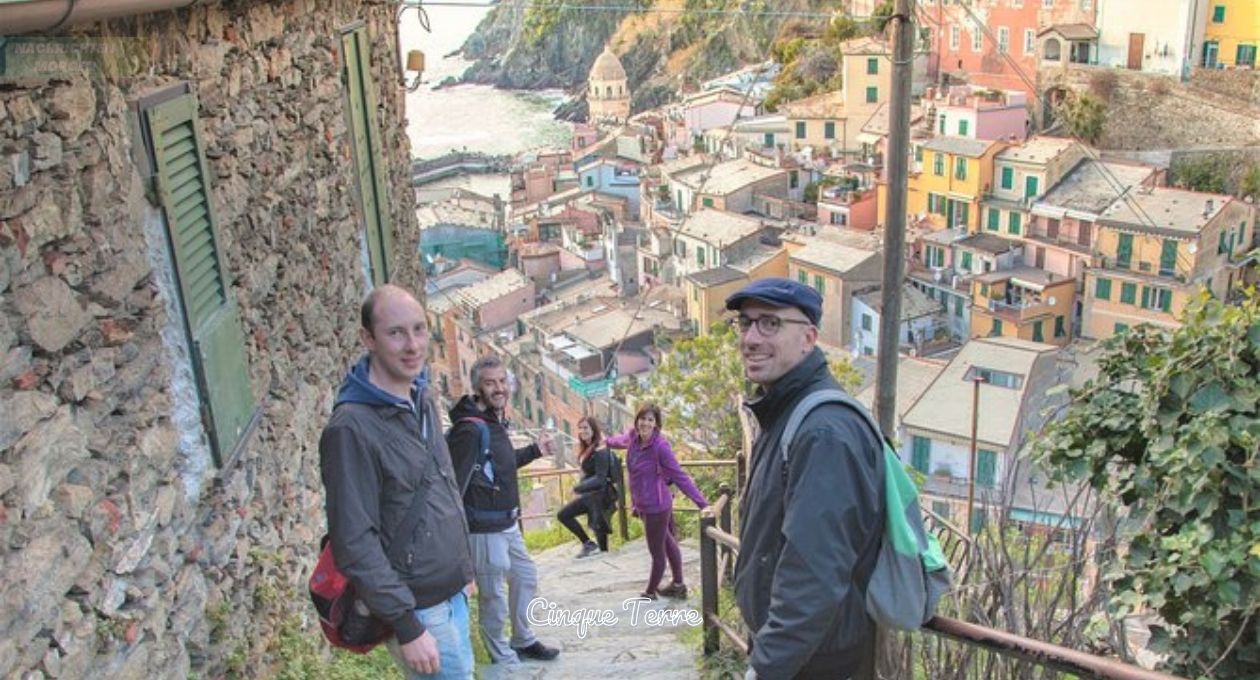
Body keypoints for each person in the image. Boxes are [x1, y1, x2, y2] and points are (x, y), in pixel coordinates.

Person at [725, 278, 884, 680]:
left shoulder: (823, 433)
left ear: (809, 337)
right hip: (797, 651)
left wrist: (766, 667)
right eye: (746, 323)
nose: (751, 338)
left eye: (770, 324)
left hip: (811, 659)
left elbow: (814, 571)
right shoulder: (787, 412)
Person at [319, 284, 475, 679]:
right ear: (368, 339)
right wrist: (407, 626)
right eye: (396, 333)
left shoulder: (419, 397)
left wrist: (463, 570)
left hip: (451, 595)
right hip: (418, 609)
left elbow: (443, 486)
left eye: (420, 329)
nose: (412, 345)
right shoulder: (351, 428)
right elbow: (354, 542)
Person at [447, 355, 560, 664]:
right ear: (476, 388)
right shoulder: (470, 430)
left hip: (508, 525)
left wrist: (536, 451)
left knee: (525, 576)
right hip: (483, 529)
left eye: (502, 381)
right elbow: (453, 486)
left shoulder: (494, 422)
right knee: (493, 596)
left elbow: (501, 464)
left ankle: (523, 640)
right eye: (490, 382)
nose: (498, 388)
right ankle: (501, 657)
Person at [606, 404, 708, 600]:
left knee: (657, 552)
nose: (645, 423)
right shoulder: (633, 438)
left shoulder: (660, 447)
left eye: (650, 420)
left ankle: (650, 592)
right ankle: (678, 585)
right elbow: (620, 441)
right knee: (669, 543)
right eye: (642, 418)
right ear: (637, 420)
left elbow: (679, 476)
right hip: (644, 504)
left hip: (656, 507)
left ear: (656, 424)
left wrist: (703, 504)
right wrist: (605, 442)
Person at [556, 416, 617, 558]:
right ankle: (588, 543)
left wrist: (578, 488)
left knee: (599, 529)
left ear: (593, 430)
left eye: (586, 428)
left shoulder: (600, 449)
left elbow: (600, 479)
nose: (583, 431)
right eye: (581, 428)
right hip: (589, 496)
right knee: (564, 515)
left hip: (599, 496)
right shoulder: (588, 448)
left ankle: (601, 554)